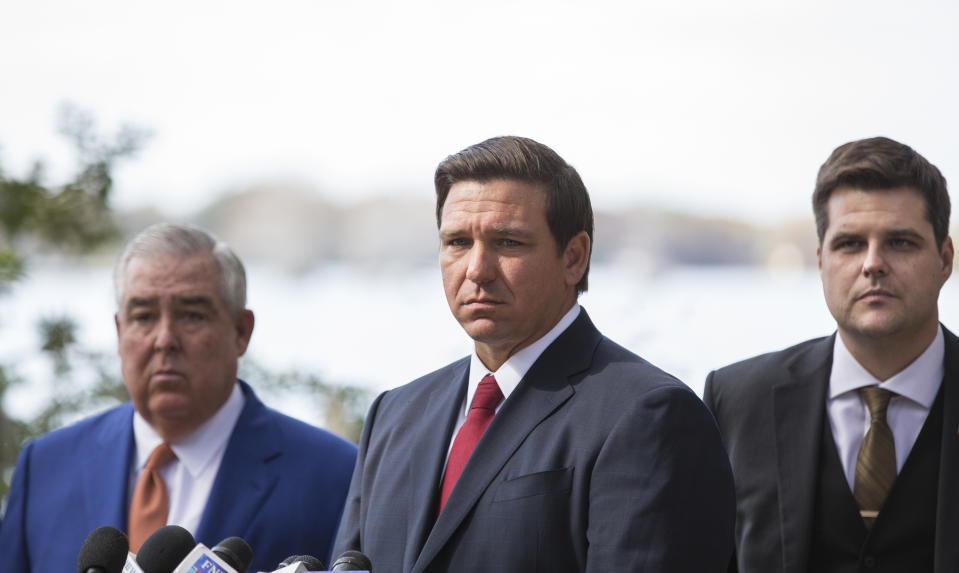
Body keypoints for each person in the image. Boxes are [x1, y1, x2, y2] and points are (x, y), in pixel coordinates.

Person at [333, 136, 736, 572]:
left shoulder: (649, 415)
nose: (476, 270)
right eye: (457, 242)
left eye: (508, 243)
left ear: (574, 258)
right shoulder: (395, 414)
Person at [0, 223, 358, 572]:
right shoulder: (46, 467)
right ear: (119, 331)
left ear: (241, 332)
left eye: (191, 315)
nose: (165, 339)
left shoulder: (337, 477)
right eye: (144, 316)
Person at [704, 136, 959, 572]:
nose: (872, 264)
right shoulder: (737, 401)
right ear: (821, 261)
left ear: (945, 260)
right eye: (850, 244)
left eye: (900, 242)